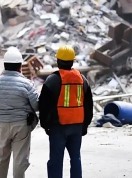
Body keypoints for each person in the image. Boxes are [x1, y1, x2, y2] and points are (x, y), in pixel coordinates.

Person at [39, 45, 93, 178]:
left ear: (58, 61)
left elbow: (43, 104)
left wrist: (45, 124)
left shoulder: (53, 80)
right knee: (76, 159)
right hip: (77, 126)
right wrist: (85, 125)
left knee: (56, 161)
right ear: (72, 61)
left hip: (59, 126)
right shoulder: (82, 79)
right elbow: (89, 104)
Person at [0, 47, 39, 178]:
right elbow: (36, 105)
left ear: (4, 65)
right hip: (21, 125)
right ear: (20, 67)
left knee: (1, 158)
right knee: (19, 160)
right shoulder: (27, 84)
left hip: (2, 125)